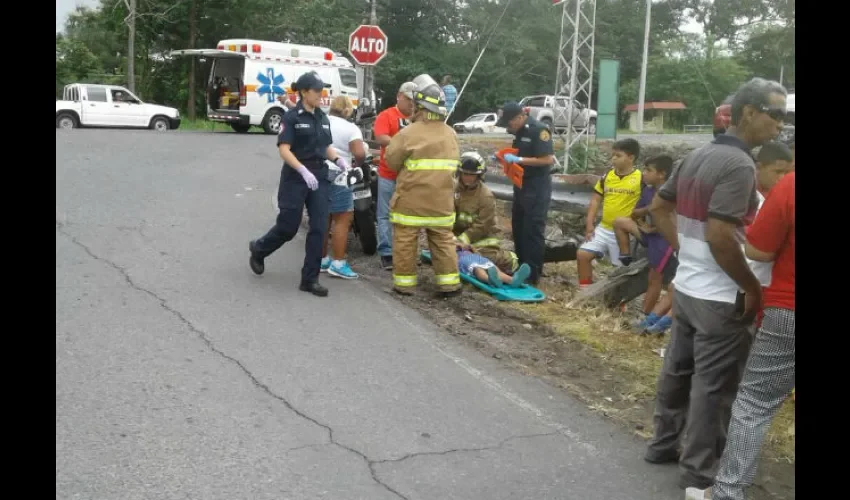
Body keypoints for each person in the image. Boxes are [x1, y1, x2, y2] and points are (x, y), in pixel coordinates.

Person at [644, 77, 787, 491]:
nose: (779, 126)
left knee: (677, 370)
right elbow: (721, 236)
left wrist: (686, 255)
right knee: (715, 387)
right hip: (722, 297)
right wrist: (752, 288)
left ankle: (663, 444)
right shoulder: (740, 165)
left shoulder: (698, 154)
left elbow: (658, 208)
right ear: (748, 113)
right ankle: (700, 470)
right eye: (774, 115)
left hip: (688, 289)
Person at [710, 171, 795, 500]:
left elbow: (757, 250)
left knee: (755, 404)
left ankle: (728, 492)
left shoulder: (789, 185)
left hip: (788, 311)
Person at [248, 71, 351, 298]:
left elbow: (325, 147)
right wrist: (302, 170)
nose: (320, 95)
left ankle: (309, 279)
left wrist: (338, 160)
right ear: (304, 92)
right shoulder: (292, 118)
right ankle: (259, 248)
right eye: (316, 91)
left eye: (322, 90)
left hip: (319, 177)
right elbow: (284, 149)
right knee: (288, 226)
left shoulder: (322, 118)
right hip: (296, 176)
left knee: (319, 227)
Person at [385, 74, 462, 297]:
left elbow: (391, 162)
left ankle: (405, 285)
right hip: (441, 204)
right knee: (443, 242)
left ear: (418, 105)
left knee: (406, 242)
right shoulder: (451, 134)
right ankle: (449, 285)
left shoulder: (407, 134)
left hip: (411, 203)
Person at [611, 154, 677, 333]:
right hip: (650, 234)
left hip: (665, 239)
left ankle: (646, 315)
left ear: (662, 174)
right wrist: (644, 225)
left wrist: (653, 226)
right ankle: (626, 255)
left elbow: (673, 222)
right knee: (620, 222)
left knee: (654, 278)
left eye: (648, 170)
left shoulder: (670, 194)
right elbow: (634, 214)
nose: (644, 174)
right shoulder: (648, 190)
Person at [495, 102, 556, 285]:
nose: (509, 127)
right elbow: (517, 153)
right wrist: (503, 157)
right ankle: (521, 267)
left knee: (532, 230)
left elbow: (547, 159)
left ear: (520, 117)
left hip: (537, 186)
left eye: (510, 123)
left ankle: (532, 273)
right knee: (519, 227)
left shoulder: (539, 130)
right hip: (521, 184)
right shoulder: (519, 131)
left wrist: (520, 159)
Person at [576, 138, 643, 288]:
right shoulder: (607, 177)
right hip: (604, 228)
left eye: (618, 156)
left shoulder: (640, 179)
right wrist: (589, 225)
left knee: (620, 269)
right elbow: (595, 201)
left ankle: (618, 303)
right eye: (612, 155)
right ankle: (585, 292)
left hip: (624, 233)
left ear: (631, 158)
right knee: (583, 255)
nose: (613, 159)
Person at [321, 95, 367, 279]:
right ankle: (338, 263)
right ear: (348, 111)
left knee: (323, 217)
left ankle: (321, 259)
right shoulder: (351, 128)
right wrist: (357, 163)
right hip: (340, 174)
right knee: (342, 219)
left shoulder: (321, 121)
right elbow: (359, 153)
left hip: (319, 172)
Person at [373, 81, 417, 270]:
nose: (411, 104)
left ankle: (406, 252)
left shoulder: (418, 119)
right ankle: (387, 253)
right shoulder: (387, 115)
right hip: (389, 174)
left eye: (413, 101)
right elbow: (381, 137)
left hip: (411, 176)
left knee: (409, 216)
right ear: (399, 96)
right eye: (408, 99)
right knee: (385, 215)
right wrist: (402, 145)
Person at [454, 151, 518, 274]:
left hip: (482, 238)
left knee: (482, 257)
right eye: (465, 174)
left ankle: (510, 260)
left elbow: (482, 225)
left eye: (472, 175)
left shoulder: (485, 196)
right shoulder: (454, 190)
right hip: (459, 237)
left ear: (479, 176)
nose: (467, 177)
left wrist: (462, 240)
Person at [457, 245, 531, 288]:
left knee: (491, 266)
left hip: (474, 256)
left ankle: (513, 280)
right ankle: (489, 280)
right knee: (476, 268)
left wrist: (467, 246)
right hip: (461, 259)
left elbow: (469, 246)